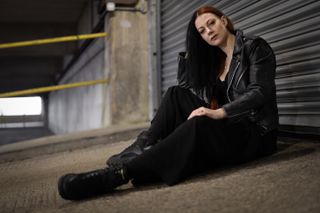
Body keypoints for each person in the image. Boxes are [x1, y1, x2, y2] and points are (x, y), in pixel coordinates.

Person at [58, 5, 278, 200]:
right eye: (201, 31)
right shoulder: (216, 60)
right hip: (228, 129)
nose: (208, 31)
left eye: (211, 23)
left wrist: (219, 112)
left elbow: (259, 92)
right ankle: (139, 150)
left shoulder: (254, 48)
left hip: (255, 132)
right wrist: (194, 53)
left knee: (199, 123)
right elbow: (185, 88)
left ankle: (119, 174)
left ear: (224, 20)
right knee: (174, 94)